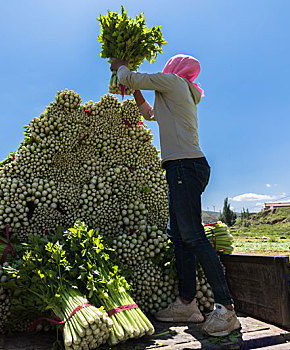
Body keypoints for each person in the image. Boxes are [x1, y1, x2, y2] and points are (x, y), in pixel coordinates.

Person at [110, 54, 241, 336]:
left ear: (174, 69)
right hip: (183, 167)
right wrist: (133, 88)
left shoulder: (172, 82)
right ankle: (187, 303)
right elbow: (148, 113)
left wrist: (121, 65)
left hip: (184, 166)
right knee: (179, 237)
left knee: (192, 235)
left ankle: (226, 309)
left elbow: (128, 77)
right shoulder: (177, 93)